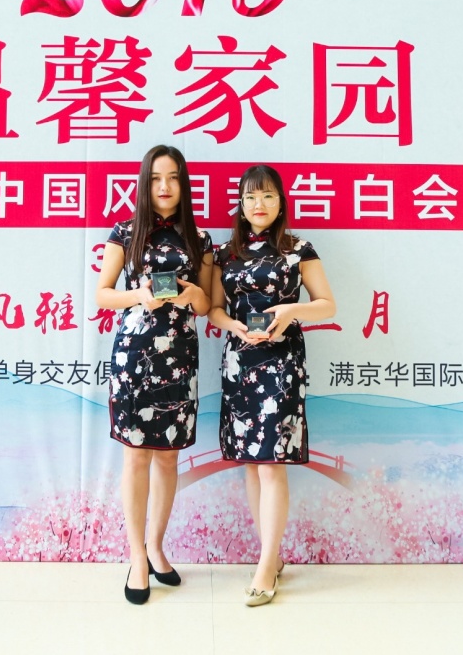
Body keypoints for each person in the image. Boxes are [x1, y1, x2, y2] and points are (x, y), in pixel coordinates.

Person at [206, 165, 336, 607]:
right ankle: (271, 555)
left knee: (271, 463)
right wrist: (236, 328)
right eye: (249, 197)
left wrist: (289, 311)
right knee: (251, 462)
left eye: (266, 196)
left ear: (281, 202)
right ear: (240, 205)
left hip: (282, 362)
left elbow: (327, 304)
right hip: (240, 361)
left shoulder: (299, 249)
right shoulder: (225, 253)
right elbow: (215, 310)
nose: (257, 204)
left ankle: (265, 566)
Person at [95, 145, 213, 605]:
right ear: (144, 184)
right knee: (136, 457)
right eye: (156, 178)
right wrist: (139, 295)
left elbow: (207, 304)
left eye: (173, 178)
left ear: (184, 184)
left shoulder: (200, 239)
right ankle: (136, 557)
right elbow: (103, 294)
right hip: (135, 357)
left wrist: (189, 295)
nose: (164, 186)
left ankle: (157, 547)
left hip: (179, 359)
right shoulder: (125, 232)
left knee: (168, 458)